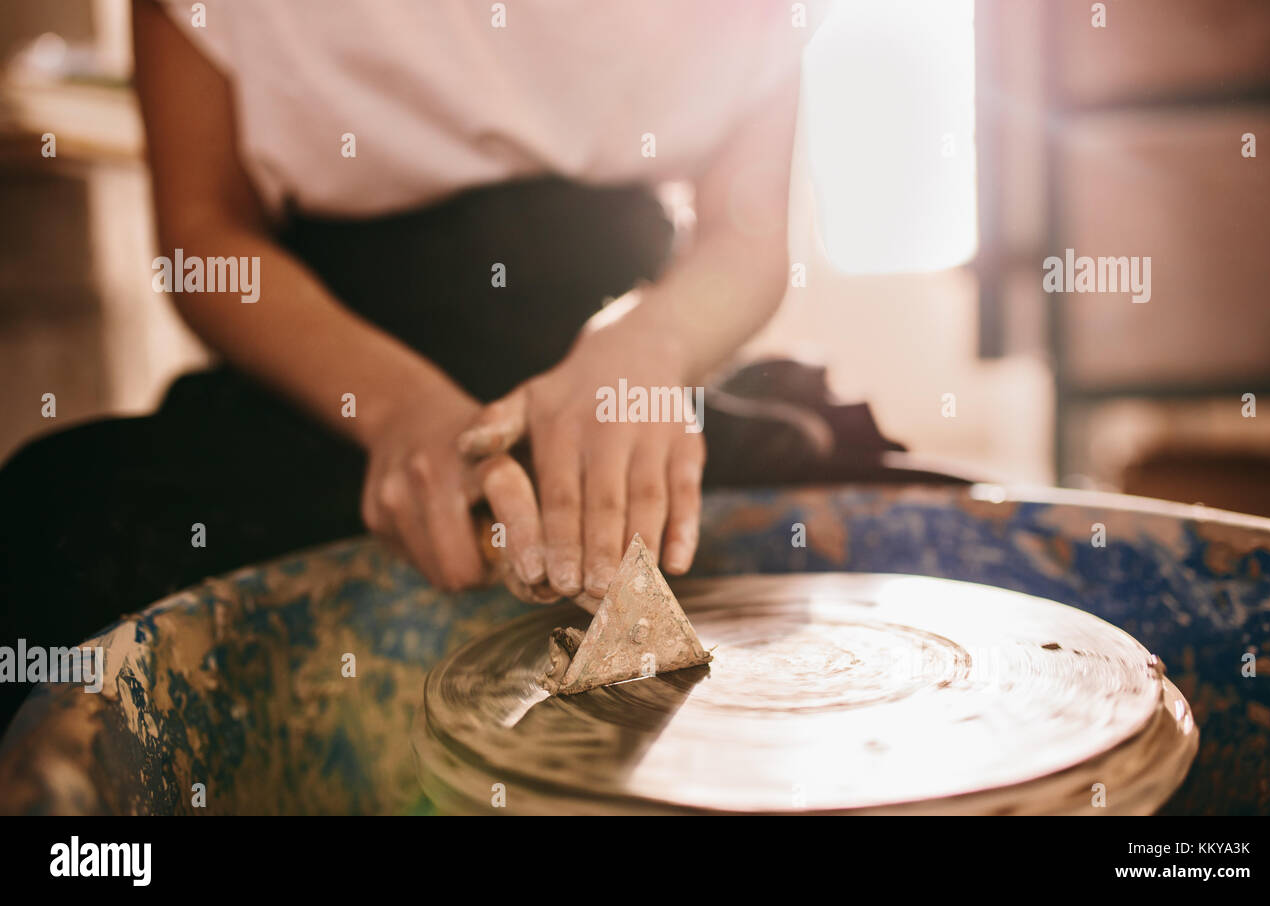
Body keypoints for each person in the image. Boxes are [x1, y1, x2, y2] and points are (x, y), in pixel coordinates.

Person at [3, 1, 915, 728]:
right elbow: (204, 237)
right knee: (50, 536)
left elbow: (749, 232)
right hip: (335, 379)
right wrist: (396, 410)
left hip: (626, 370)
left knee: (893, 531)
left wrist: (648, 348)